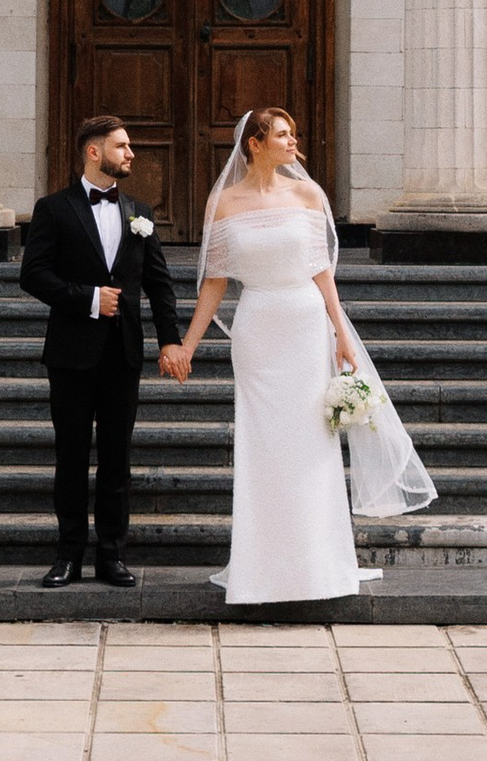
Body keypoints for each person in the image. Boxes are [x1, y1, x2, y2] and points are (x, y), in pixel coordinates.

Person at [157, 103, 434, 606]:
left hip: (306, 326)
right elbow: (215, 284)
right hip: (258, 330)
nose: (292, 141)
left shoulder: (308, 193)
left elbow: (322, 272)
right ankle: (262, 568)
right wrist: (189, 345)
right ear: (254, 144)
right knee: (263, 447)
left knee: (312, 445)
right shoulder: (225, 202)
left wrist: (341, 333)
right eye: (281, 134)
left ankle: (318, 565)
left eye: (293, 133)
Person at [18, 113, 186, 588]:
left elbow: (158, 284)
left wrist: (170, 339)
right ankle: (67, 555)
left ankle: (112, 556)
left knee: (117, 458)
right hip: (71, 353)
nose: (131, 154)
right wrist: (88, 298)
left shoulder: (141, 213)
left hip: (123, 353)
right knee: (71, 457)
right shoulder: (54, 208)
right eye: (122, 146)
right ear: (94, 152)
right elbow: (33, 274)